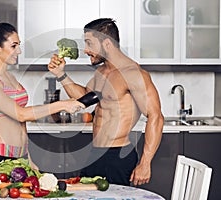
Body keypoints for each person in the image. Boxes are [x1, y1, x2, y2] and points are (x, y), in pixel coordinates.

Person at [48, 18, 164, 186]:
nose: (86, 50)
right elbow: (85, 97)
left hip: (117, 155)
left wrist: (145, 163)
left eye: (90, 43)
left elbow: (156, 117)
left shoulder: (133, 74)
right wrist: (61, 75)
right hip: (94, 152)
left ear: (107, 44)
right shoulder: (102, 72)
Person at [0, 22, 84, 180]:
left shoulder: (10, 77)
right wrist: (63, 104)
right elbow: (21, 114)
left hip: (20, 158)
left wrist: (28, 158)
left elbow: (20, 125)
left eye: (19, 45)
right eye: (14, 46)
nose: (19, 51)